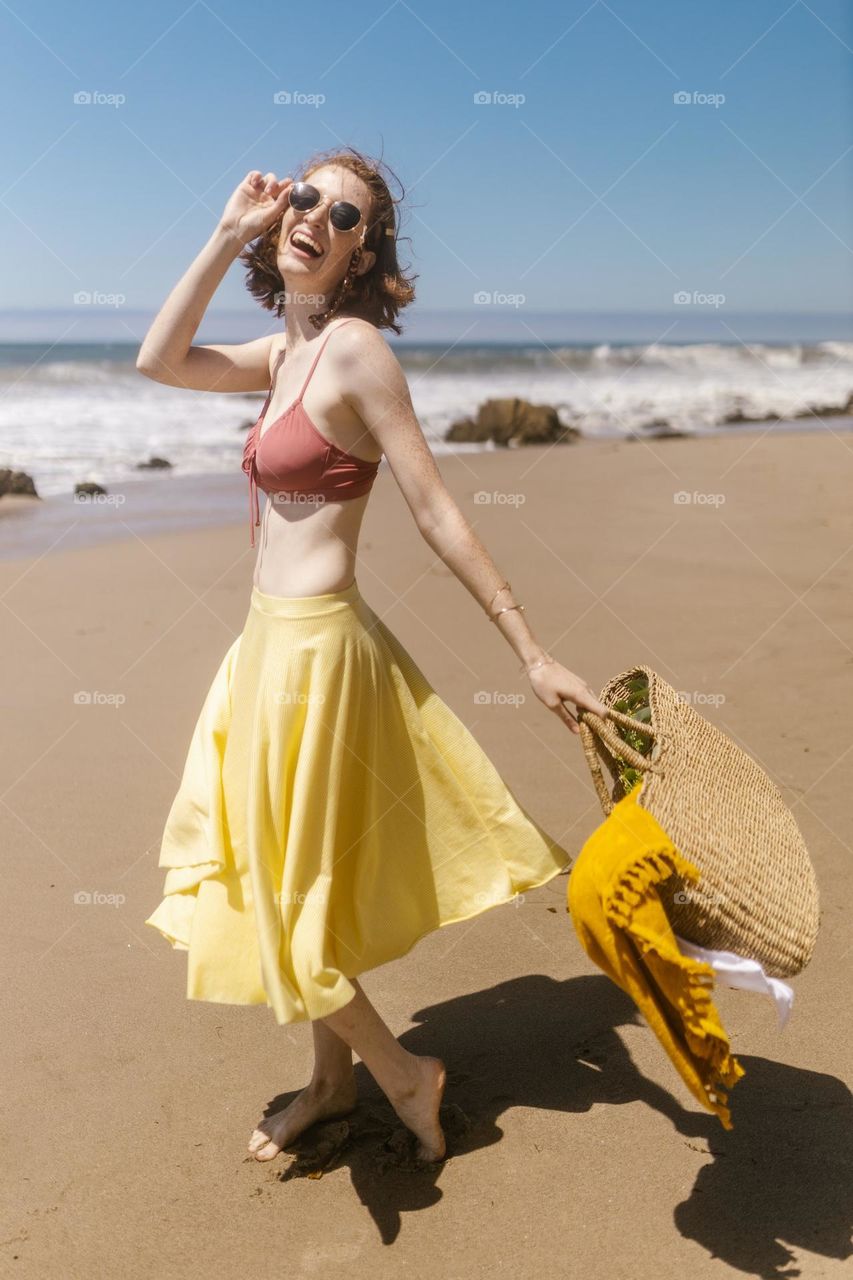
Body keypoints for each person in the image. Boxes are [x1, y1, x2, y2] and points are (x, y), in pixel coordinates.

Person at [139, 146, 609, 1166]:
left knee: (287, 904)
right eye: (305, 199)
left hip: (322, 661)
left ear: (362, 254)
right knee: (304, 881)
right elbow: (159, 359)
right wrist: (225, 235)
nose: (317, 219)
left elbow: (434, 507)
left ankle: (403, 1072)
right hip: (262, 648)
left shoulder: (355, 354)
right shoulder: (283, 354)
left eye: (346, 217)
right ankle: (329, 1078)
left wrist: (530, 649)